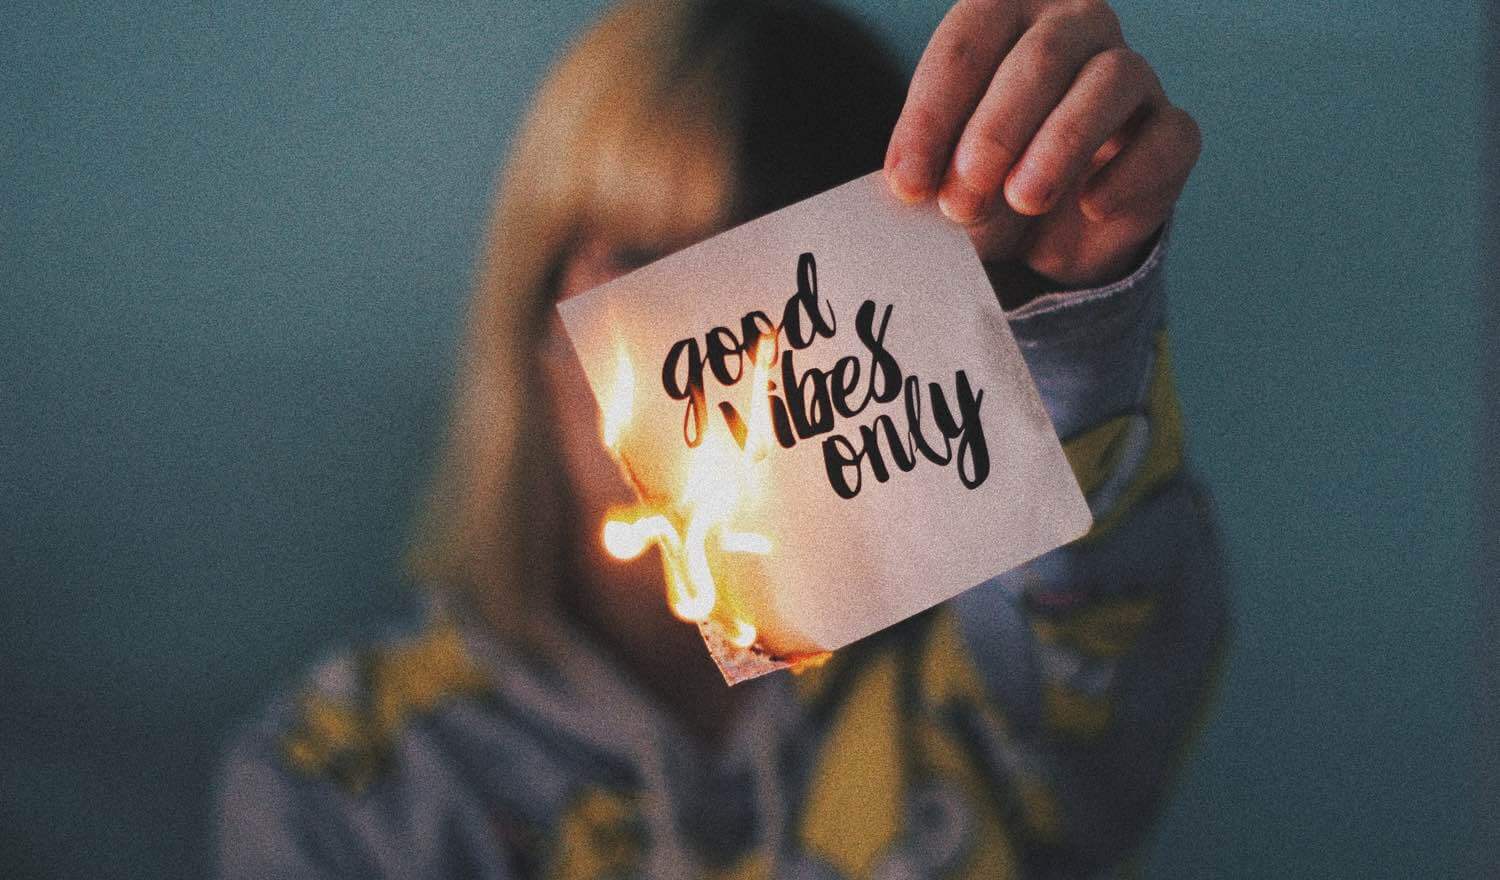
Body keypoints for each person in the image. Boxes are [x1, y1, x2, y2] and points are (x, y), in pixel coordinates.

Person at [216, 0, 1229, 876]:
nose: (738, 367)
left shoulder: (983, 692)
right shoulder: (350, 781)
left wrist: (1071, 324)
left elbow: (1099, 616)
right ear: (534, 318)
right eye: (654, 265)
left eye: (788, 282)